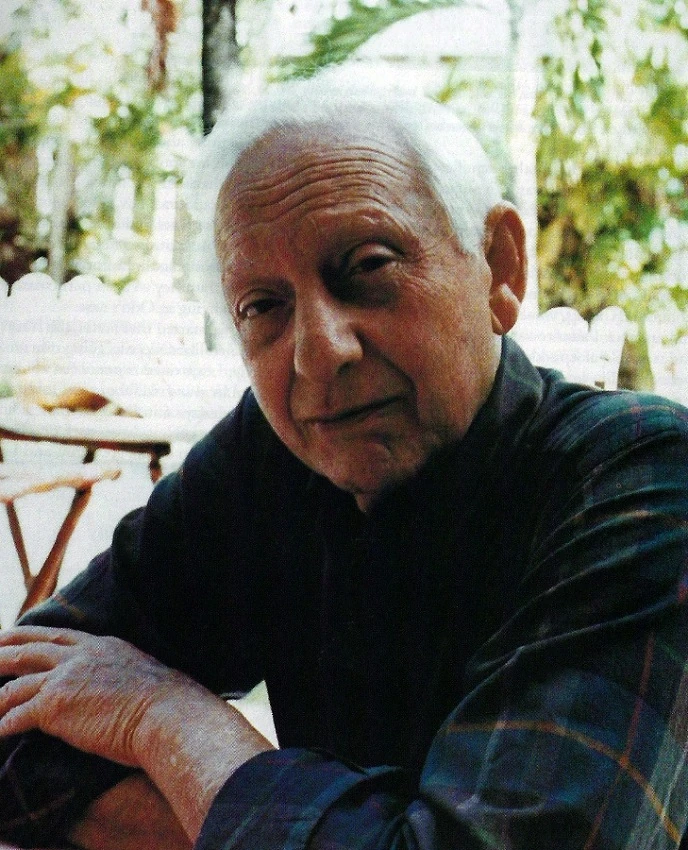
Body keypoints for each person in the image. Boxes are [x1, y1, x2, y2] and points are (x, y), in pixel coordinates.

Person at [1, 70, 688, 850]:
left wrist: (163, 719)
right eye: (264, 306)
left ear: (499, 268)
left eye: (367, 266)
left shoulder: (640, 480)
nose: (319, 353)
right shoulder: (276, 455)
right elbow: (15, 718)